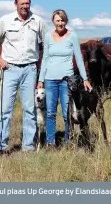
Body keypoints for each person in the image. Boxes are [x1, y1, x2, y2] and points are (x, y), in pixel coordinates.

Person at [0, 0, 48, 158]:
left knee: (29, 109)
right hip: (10, 69)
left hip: (30, 69)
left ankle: (28, 147)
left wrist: (39, 64)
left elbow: (45, 44)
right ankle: (0, 146)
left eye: (27, 3)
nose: (25, 6)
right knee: (5, 108)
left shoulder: (38, 21)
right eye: (22, 3)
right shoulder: (5, 20)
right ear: (15, 4)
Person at [37, 9, 92, 149]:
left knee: (67, 113)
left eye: (62, 20)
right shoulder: (48, 37)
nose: (60, 23)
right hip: (49, 79)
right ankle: (50, 142)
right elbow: (45, 59)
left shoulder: (72, 36)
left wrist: (85, 78)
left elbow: (79, 58)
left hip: (67, 81)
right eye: (57, 20)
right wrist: (41, 79)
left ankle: (69, 141)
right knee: (50, 112)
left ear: (65, 21)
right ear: (53, 22)